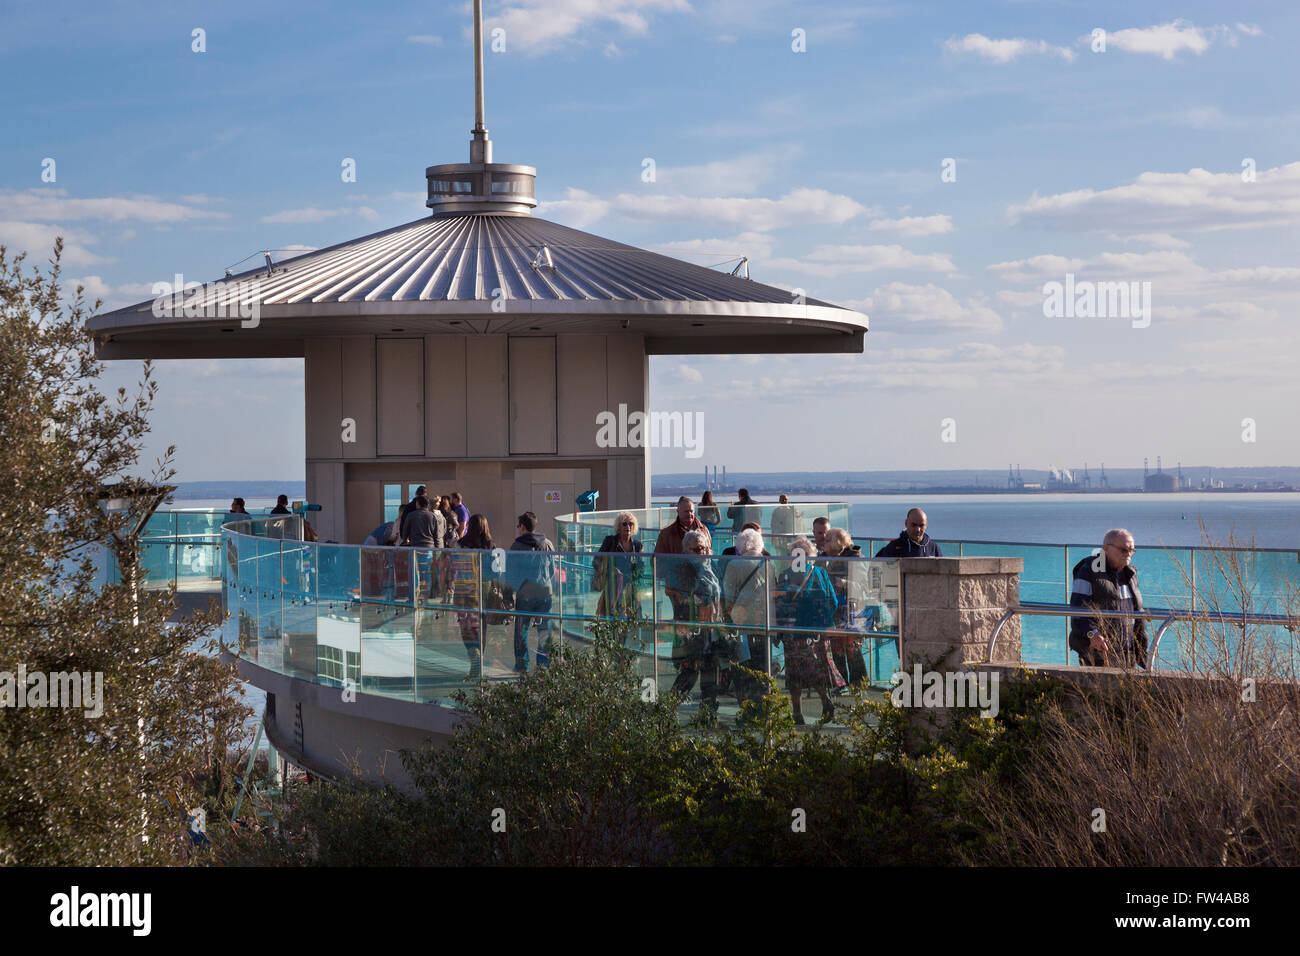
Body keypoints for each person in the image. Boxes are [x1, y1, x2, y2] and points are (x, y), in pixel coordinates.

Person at [772, 536, 844, 725]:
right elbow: (833, 602)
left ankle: (797, 713)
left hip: (793, 632)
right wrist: (824, 621)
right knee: (817, 670)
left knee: (794, 674)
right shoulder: (820, 573)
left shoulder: (786, 575)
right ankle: (825, 701)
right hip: (817, 632)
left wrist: (778, 631)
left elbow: (779, 604)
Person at [665, 530, 726, 720]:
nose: (701, 552)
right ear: (686, 550)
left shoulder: (712, 566)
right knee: (689, 673)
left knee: (711, 672)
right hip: (691, 629)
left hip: (712, 628)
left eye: (704, 548)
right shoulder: (681, 568)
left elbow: (720, 594)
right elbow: (677, 595)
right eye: (696, 549)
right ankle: (666, 713)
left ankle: (707, 716)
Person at [1069, 528, 1148, 668]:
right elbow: (1077, 611)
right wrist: (1092, 634)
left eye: (1132, 550)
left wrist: (1141, 650)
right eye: (1124, 549)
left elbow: (1136, 611)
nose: (1128, 554)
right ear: (1106, 548)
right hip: (1098, 653)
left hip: (1127, 653)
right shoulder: (1088, 571)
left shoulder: (1130, 573)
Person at [722, 527, 770, 711]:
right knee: (762, 668)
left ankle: (747, 709)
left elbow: (728, 595)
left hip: (741, 623)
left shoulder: (734, 564)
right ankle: (763, 706)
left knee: (742, 669)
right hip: (763, 622)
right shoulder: (768, 563)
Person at [820, 527, 871, 688]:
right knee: (836, 650)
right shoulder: (824, 558)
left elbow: (862, 586)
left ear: (838, 542)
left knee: (852, 650)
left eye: (828, 539)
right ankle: (841, 684)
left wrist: (842, 583)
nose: (824, 542)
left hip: (852, 611)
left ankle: (859, 685)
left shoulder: (855, 559)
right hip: (834, 611)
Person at [508, 512, 556, 672]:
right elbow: (552, 570)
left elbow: (512, 573)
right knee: (545, 630)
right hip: (545, 592)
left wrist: (514, 590)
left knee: (522, 630)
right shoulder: (547, 543)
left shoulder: (517, 546)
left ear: (522, 527)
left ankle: (522, 664)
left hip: (525, 594)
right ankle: (544, 665)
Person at [451, 514, 495, 678]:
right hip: (483, 586)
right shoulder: (490, 545)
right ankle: (480, 656)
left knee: (465, 623)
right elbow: (495, 570)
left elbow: (453, 563)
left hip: (464, 586)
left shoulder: (461, 544)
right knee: (481, 623)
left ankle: (473, 654)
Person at [595, 512, 645, 621]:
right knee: (614, 621)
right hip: (613, 585)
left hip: (630, 588)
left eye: (631, 524)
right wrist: (610, 570)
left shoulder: (637, 545)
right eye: (624, 524)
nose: (628, 526)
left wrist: (632, 576)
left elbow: (641, 568)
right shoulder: (610, 541)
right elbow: (597, 560)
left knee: (634, 622)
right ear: (618, 526)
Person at [875, 508, 943, 558]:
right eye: (914, 525)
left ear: (926, 525)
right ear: (906, 523)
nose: (918, 529)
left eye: (921, 525)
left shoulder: (933, 548)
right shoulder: (893, 548)